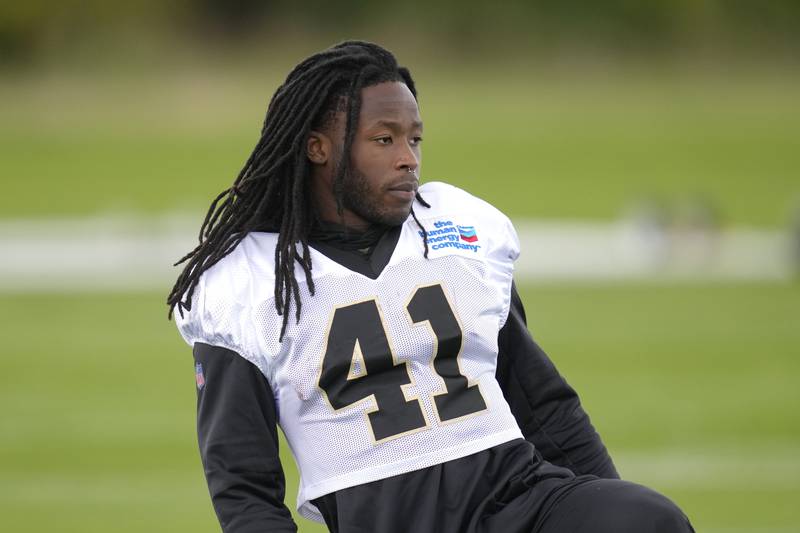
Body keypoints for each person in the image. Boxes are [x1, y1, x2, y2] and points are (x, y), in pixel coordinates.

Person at [168, 41, 694, 532]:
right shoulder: (251, 281)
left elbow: (543, 403)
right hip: (388, 518)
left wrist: (601, 494)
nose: (408, 158)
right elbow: (243, 484)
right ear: (317, 148)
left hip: (516, 497)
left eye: (414, 138)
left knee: (645, 518)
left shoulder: (455, 232)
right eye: (384, 139)